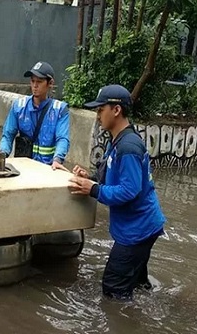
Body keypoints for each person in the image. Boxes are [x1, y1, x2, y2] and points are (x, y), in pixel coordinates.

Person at [68, 84, 166, 300]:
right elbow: (113, 176)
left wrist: (93, 189)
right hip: (142, 226)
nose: (97, 115)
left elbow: (129, 190)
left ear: (116, 110)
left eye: (100, 109)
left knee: (113, 289)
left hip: (137, 231)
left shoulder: (128, 146)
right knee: (137, 285)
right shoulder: (119, 141)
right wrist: (90, 178)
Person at [0, 61, 70, 170]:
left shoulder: (60, 110)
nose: (34, 86)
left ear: (50, 83)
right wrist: (2, 155)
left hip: (48, 168)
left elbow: (62, 138)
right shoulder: (19, 106)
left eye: (39, 82)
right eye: (32, 81)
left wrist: (57, 159)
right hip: (22, 167)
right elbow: (8, 134)